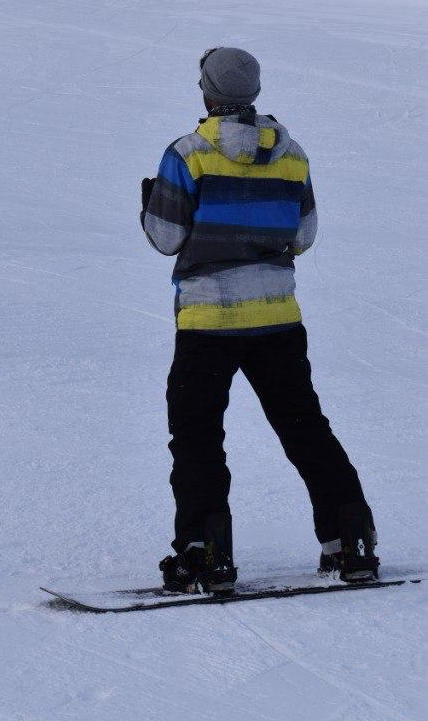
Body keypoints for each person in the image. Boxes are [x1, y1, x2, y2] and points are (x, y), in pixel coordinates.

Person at [141, 46, 377, 593]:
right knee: (304, 427)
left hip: (207, 322)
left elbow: (166, 237)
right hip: (277, 319)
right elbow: (303, 236)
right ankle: (350, 539)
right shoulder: (292, 155)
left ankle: (205, 550)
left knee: (197, 436)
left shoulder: (188, 155)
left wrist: (151, 203)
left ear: (207, 92)